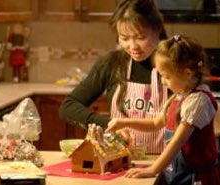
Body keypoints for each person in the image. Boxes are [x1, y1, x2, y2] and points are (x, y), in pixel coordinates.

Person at [106, 35, 220, 185]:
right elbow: (155, 123)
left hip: (197, 178)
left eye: (166, 76)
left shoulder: (198, 101)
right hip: (179, 172)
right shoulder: (178, 97)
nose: (163, 81)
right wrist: (124, 122)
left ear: (187, 73)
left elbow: (178, 141)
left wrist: (153, 169)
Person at [59, 0, 169, 154]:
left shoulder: (174, 63)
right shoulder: (112, 64)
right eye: (124, 38)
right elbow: (68, 107)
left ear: (157, 29)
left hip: (166, 166)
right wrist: (108, 124)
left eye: (140, 37)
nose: (133, 46)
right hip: (119, 162)